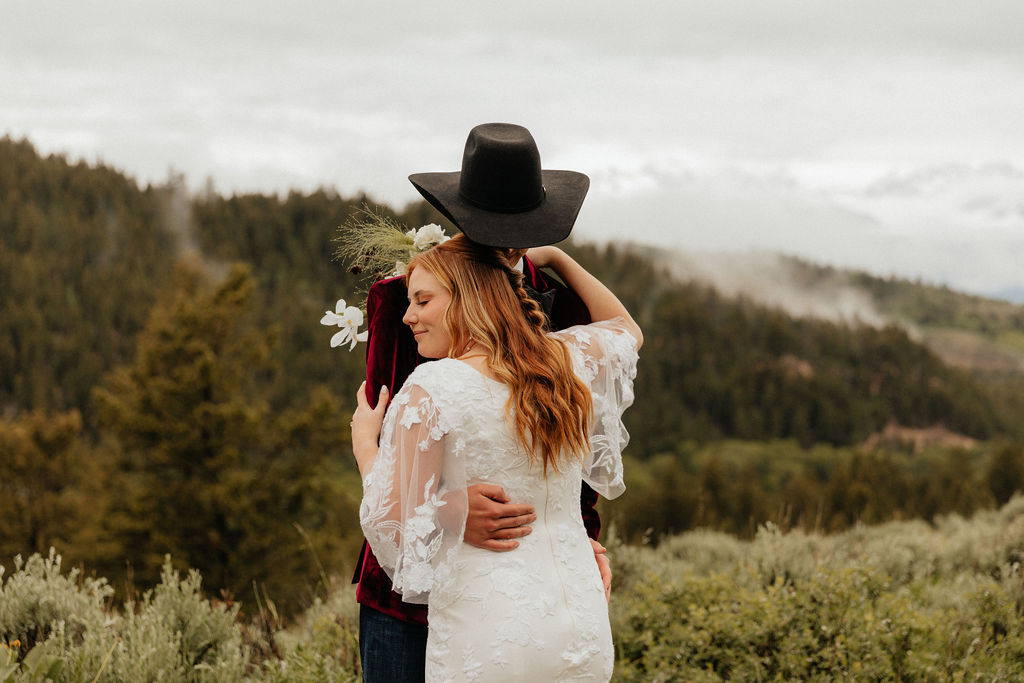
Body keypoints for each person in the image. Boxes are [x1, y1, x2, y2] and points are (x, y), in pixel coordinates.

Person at [351, 123, 613, 681]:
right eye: (493, 225)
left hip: (532, 580)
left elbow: (572, 439)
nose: (508, 241)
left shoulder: (561, 306)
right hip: (403, 595)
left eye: (523, 227)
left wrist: (582, 538)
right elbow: (388, 421)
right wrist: (450, 510)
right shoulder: (401, 297)